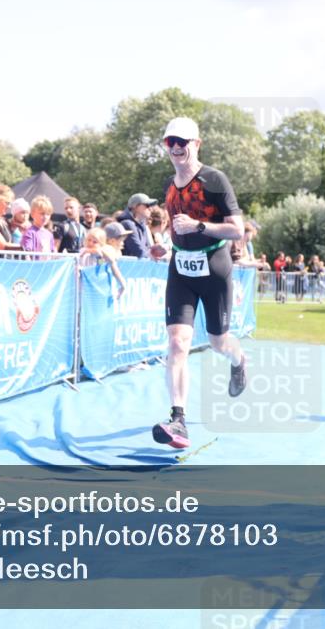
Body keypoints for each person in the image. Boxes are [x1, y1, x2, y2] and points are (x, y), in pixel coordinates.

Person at [152, 116, 246, 449]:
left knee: (219, 342)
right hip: (180, 269)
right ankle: (178, 419)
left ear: (197, 144)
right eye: (171, 142)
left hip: (214, 267)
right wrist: (165, 245)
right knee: (178, 343)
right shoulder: (169, 184)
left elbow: (237, 229)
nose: (177, 148)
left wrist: (199, 226)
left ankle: (239, 360)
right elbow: (176, 225)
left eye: (183, 142)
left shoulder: (214, 180)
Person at [79, 227, 127, 298]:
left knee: (111, 264)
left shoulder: (101, 255)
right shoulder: (83, 251)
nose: (91, 243)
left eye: (95, 242)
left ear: (101, 244)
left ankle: (123, 285)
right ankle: (123, 285)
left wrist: (98, 252)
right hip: (84, 287)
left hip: (98, 285)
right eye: (89, 240)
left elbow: (106, 260)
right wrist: (88, 251)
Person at [117, 192, 157, 258]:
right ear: (135, 206)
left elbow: (148, 248)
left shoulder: (142, 224)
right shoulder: (127, 224)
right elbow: (139, 252)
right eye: (147, 205)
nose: (150, 209)